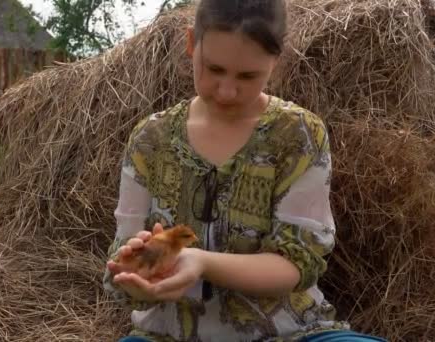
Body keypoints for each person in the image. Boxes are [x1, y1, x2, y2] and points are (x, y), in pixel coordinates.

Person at [103, 0, 387, 341]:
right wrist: (138, 278)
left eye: (248, 76)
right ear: (191, 42)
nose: (226, 90)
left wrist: (201, 262)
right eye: (214, 69)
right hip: (167, 335)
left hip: (290, 333)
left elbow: (296, 263)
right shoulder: (150, 138)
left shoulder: (298, 135)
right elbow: (119, 273)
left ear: (276, 61)